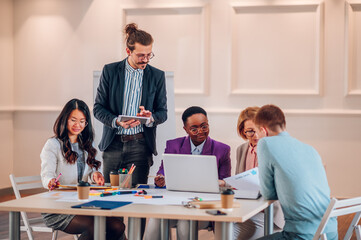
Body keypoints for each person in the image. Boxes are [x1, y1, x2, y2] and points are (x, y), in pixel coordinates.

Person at [94, 23, 167, 186]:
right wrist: (116, 121)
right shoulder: (110, 71)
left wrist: (150, 117)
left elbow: (163, 112)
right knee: (109, 196)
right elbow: (98, 108)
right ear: (128, 51)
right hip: (112, 144)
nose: (146, 59)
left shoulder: (157, 76)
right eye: (141, 55)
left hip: (140, 147)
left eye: (149, 54)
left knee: (138, 200)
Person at [40, 99, 125, 240]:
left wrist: (95, 175)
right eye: (73, 120)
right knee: (93, 226)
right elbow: (46, 175)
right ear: (65, 119)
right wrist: (51, 182)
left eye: (82, 121)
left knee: (118, 226)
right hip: (58, 208)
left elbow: (88, 175)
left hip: (83, 205)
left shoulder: (86, 145)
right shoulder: (53, 145)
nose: (77, 125)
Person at [144, 106, 231, 240]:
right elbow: (163, 171)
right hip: (175, 204)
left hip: (204, 207)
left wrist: (219, 183)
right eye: (194, 128)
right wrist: (161, 178)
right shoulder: (173, 145)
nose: (200, 131)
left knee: (185, 222)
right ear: (185, 129)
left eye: (204, 126)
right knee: (156, 219)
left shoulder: (222, 150)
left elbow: (225, 182)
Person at [254, 104, 337, 240]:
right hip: (330, 233)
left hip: (301, 235)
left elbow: (268, 194)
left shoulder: (266, 144)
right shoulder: (310, 149)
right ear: (283, 124)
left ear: (263, 130)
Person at [233, 106, 284, 239]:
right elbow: (239, 182)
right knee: (224, 227)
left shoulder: (274, 150)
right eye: (250, 131)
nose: (255, 136)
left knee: (231, 232)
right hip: (246, 210)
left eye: (258, 130)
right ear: (242, 132)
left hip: (269, 214)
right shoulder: (241, 150)